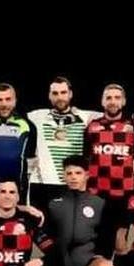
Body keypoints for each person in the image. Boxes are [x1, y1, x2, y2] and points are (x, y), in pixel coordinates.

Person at [84, 83, 134, 266]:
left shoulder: (133, 126)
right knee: (100, 247)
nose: (113, 101)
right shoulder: (93, 127)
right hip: (97, 197)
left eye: (117, 97)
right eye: (109, 97)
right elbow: (87, 160)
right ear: (102, 101)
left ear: (124, 101)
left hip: (123, 197)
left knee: (120, 245)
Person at [27, 77, 98, 212]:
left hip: (71, 183)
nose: (60, 97)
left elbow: (114, 115)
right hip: (42, 184)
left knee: (67, 231)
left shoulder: (86, 116)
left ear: (70, 94)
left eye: (63, 92)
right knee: (40, 229)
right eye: (55, 93)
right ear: (49, 95)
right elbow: (10, 114)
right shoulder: (37, 116)